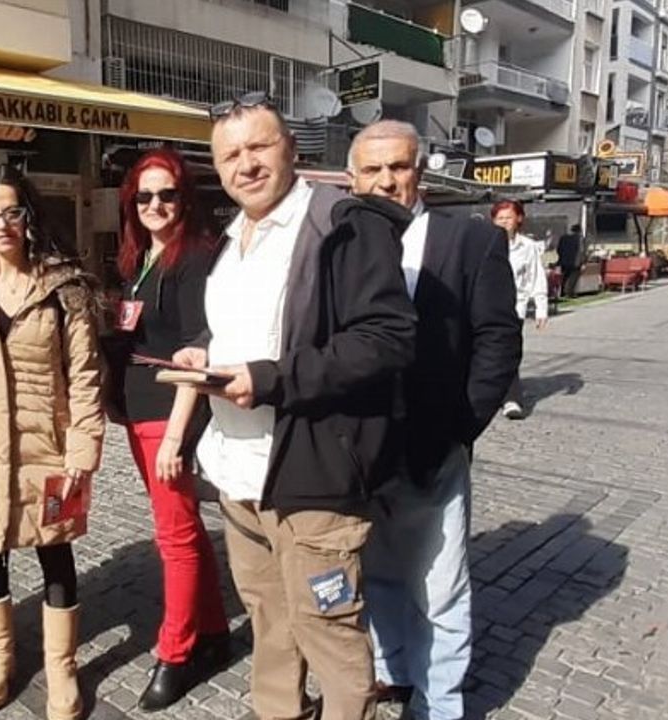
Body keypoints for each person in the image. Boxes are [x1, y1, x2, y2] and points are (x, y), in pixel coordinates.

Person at [174, 93, 417, 720]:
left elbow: (386, 340)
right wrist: (205, 350)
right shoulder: (233, 238)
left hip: (311, 478)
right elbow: (249, 329)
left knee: (328, 632)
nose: (246, 164)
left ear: (291, 149)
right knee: (270, 623)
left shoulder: (343, 224)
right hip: (238, 474)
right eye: (230, 155)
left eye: (259, 146)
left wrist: (270, 380)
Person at [347, 120, 522, 720]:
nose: (385, 180)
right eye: (372, 170)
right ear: (352, 178)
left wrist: (460, 427)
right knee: (378, 570)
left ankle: (439, 705)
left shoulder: (470, 241)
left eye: (398, 167)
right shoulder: (342, 241)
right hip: (362, 446)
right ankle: (394, 669)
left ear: (419, 172)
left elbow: (498, 341)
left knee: (440, 586)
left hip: (435, 442)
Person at [0, 163, 104, 720]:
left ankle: (62, 666)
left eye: (11, 212)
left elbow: (85, 375)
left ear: (29, 215)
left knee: (56, 549)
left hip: (50, 449)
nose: (1, 225)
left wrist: (83, 448)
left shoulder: (65, 288)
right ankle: (0, 654)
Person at [106, 148, 229, 711]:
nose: (155, 204)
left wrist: (177, 437)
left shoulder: (195, 257)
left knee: (174, 536)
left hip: (168, 413)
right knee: (185, 529)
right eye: (144, 196)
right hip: (140, 410)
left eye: (166, 194)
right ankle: (214, 630)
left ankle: (175, 652)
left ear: (185, 198)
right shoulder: (140, 258)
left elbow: (199, 351)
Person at [491, 200, 547, 420]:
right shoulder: (484, 243)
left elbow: (536, 276)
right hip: (487, 306)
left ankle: (511, 398)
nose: (504, 222)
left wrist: (541, 307)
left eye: (508, 218)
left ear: (519, 219)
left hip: (515, 307)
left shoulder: (528, 246)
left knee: (509, 352)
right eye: (500, 218)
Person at [557, 224, 584, 300]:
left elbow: (559, 249)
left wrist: (562, 257)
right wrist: (582, 262)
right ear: (579, 231)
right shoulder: (579, 239)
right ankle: (570, 292)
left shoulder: (563, 238)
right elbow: (581, 251)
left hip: (564, 261)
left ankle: (562, 292)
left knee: (564, 277)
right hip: (575, 262)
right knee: (573, 277)